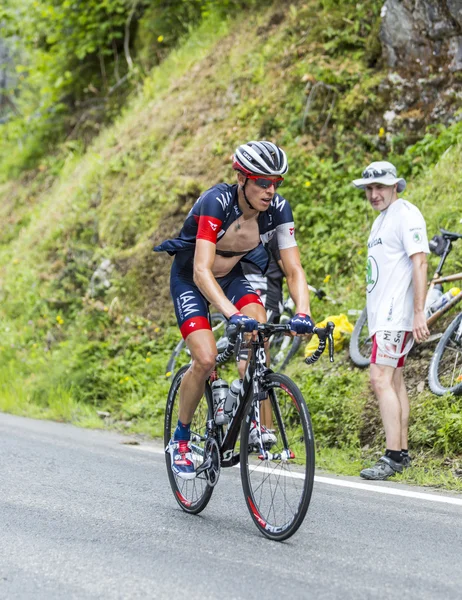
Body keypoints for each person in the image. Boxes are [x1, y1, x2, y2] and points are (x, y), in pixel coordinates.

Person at [155, 140, 314, 480]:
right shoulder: (217, 202)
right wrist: (230, 313)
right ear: (242, 178)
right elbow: (200, 270)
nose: (270, 190)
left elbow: (294, 269)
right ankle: (181, 438)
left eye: (276, 183)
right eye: (262, 182)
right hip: (191, 277)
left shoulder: (278, 210)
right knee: (206, 358)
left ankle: (254, 416)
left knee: (260, 329)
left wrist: (303, 311)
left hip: (231, 277)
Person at [352, 160, 430, 481]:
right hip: (383, 316)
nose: (373, 194)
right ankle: (403, 453)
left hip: (395, 316)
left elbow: (420, 262)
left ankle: (392, 456)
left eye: (380, 187)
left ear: (395, 185)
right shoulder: (381, 221)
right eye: (369, 189)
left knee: (379, 379)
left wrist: (418, 311)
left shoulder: (406, 214)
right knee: (394, 381)